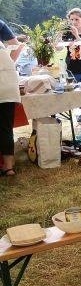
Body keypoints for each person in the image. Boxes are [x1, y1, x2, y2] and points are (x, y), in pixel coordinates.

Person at [0, 19, 22, 177]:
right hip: (7, 82)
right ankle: (8, 167)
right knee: (5, 127)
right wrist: (7, 64)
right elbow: (16, 45)